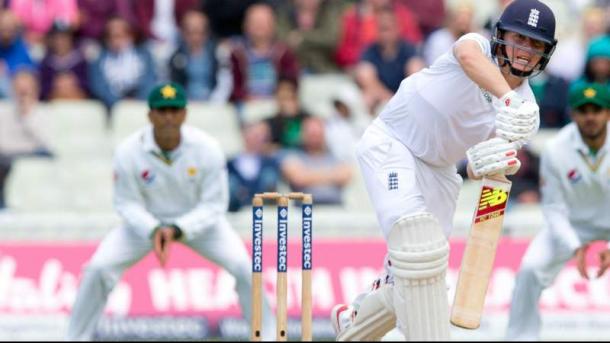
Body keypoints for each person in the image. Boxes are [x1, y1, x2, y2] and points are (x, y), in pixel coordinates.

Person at [329, 0, 557, 340]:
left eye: (535, 44)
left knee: (420, 267)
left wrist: (492, 164)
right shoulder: (475, 46)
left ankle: (356, 319)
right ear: (500, 36)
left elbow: (487, 171)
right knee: (416, 247)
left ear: (545, 54)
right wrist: (507, 100)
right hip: (393, 144)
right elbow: (468, 59)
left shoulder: (528, 112)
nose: (525, 50)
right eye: (519, 38)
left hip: (440, 172)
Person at [65, 82, 275, 340]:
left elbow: (214, 205)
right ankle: (75, 338)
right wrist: (154, 229)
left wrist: (178, 229)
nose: (168, 118)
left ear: (184, 114)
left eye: (174, 111)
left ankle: (267, 336)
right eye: (161, 111)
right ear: (150, 115)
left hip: (200, 225)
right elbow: (126, 203)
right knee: (98, 268)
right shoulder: (128, 151)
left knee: (246, 267)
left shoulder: (206, 148)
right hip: (145, 226)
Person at [505, 81, 610, 340]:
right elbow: (553, 208)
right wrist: (575, 246)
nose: (590, 117)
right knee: (530, 269)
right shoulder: (556, 149)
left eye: (596, 110)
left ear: (607, 112)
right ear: (572, 114)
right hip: (571, 224)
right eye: (582, 111)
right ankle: (521, 337)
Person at [0, 70, 53, 209]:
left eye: (25, 90)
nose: (21, 94)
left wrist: (27, 115)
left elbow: (46, 143)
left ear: (35, 90)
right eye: (19, 90)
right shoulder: (3, 110)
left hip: (35, 155)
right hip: (6, 156)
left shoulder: (45, 111)